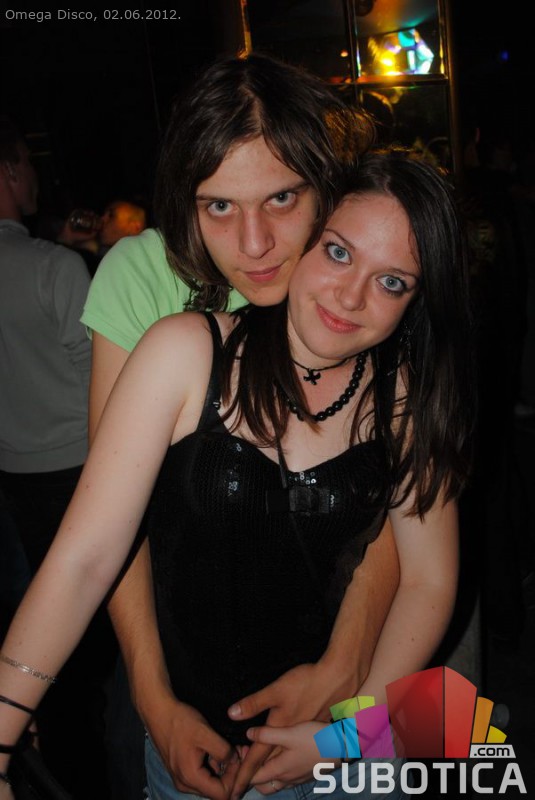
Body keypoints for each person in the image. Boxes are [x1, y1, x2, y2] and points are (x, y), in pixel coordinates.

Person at [0, 147, 474, 800]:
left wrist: (347, 737)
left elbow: (427, 581)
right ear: (306, 239)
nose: (351, 295)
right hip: (198, 765)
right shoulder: (185, 352)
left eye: (392, 281)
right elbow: (84, 558)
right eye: (339, 252)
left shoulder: (405, 403)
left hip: (342, 758)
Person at [81, 52, 400, 800]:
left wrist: (346, 666)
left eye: (282, 197)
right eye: (218, 205)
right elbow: (112, 528)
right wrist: (153, 699)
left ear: (324, 184)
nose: (254, 246)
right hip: (192, 671)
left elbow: (400, 494)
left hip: (364, 673)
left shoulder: (359, 269)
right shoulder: (143, 278)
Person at [0, 117, 116, 797]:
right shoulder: (54, 267)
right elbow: (100, 383)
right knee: (86, 646)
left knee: (33, 626)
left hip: (10, 476)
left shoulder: (49, 260)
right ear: (11, 171)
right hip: (75, 471)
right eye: (28, 164)